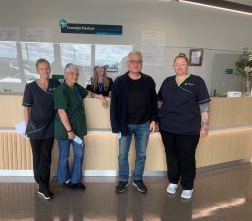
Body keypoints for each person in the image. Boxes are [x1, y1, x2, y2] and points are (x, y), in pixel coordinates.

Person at [157, 53, 210, 199]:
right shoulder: (167, 81)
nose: (179, 67)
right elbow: (159, 102)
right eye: (177, 64)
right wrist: (155, 119)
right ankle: (173, 181)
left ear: (188, 65)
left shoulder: (197, 81)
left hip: (188, 129)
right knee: (171, 156)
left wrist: (204, 125)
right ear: (173, 66)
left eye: (183, 64)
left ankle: (187, 186)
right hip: (167, 127)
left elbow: (204, 105)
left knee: (186, 157)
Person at [54, 63, 108, 190]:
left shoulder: (76, 87)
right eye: (72, 73)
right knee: (64, 155)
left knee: (79, 154)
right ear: (65, 75)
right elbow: (61, 112)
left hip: (77, 128)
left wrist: (100, 96)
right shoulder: (61, 90)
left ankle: (75, 180)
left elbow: (87, 93)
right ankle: (65, 179)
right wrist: (69, 130)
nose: (75, 76)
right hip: (65, 130)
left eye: (77, 74)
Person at [110, 51, 158, 193]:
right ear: (128, 63)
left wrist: (154, 120)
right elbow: (114, 106)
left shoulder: (149, 81)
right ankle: (123, 179)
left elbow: (154, 103)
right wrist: (116, 127)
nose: (136, 64)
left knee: (141, 154)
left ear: (142, 64)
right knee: (123, 154)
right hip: (125, 124)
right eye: (133, 61)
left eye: (139, 61)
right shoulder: (119, 82)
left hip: (144, 124)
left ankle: (137, 179)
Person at [22, 58, 60, 200]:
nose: (45, 71)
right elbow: (26, 108)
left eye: (48, 68)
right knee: (37, 157)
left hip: (50, 127)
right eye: (42, 69)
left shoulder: (56, 84)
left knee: (46, 157)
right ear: (38, 71)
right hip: (34, 128)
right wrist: (27, 128)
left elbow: (70, 88)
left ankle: (44, 185)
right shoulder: (30, 87)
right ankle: (39, 183)